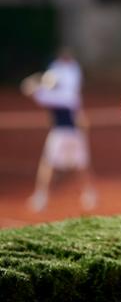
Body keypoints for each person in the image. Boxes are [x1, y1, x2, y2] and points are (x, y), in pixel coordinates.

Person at [22, 48, 97, 212]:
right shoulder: (69, 95)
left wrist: (41, 81)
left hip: (59, 133)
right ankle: (89, 193)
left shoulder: (49, 96)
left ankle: (41, 197)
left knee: (48, 164)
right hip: (75, 133)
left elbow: (26, 87)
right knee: (82, 166)